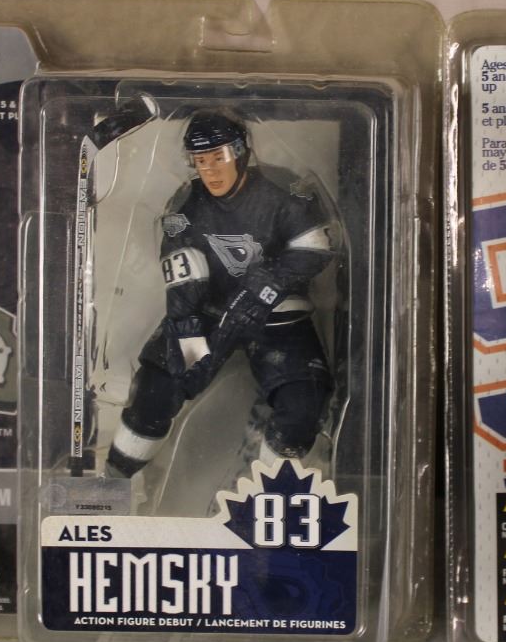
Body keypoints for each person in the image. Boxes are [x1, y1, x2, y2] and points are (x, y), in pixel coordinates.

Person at [105, 109, 336, 479]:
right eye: (201, 161)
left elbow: (316, 247)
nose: (210, 170)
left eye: (218, 157)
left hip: (278, 318)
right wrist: (187, 333)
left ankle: (270, 494)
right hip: (208, 316)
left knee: (302, 404)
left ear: (240, 153)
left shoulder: (283, 190)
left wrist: (267, 284)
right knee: (155, 393)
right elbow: (181, 271)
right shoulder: (187, 203)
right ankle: (115, 481)